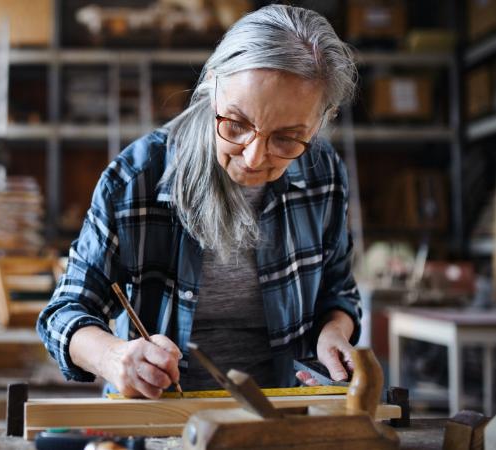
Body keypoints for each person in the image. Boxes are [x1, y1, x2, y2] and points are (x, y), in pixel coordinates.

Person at [37, 4, 361, 398]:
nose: (254, 156)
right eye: (237, 124)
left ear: (324, 117)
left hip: (283, 417)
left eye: (287, 138)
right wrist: (114, 357)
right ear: (212, 84)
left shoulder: (323, 174)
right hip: (162, 422)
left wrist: (334, 333)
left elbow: (338, 291)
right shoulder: (138, 179)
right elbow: (63, 313)